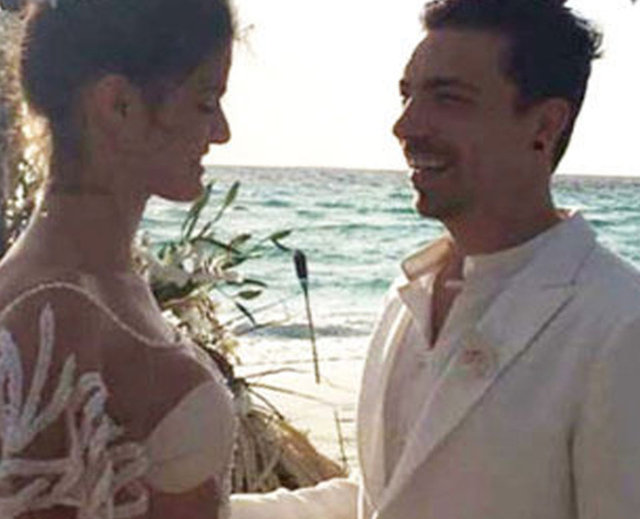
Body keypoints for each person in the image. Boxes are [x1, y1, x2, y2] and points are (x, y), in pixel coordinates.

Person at [231, 0, 640, 518]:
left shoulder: (619, 324)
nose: (406, 125)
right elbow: (382, 500)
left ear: (544, 124)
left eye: (448, 99)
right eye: (407, 95)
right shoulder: (409, 296)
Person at [0, 0, 237, 517]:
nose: (222, 131)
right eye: (205, 102)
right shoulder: (52, 312)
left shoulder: (106, 281)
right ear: (118, 105)